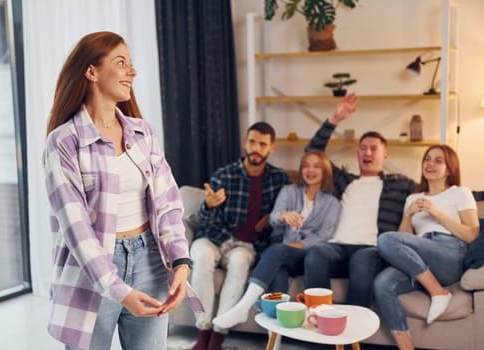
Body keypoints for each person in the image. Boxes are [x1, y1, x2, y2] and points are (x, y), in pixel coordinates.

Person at [43, 31, 192, 350]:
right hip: (92, 272)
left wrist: (181, 261)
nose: (132, 72)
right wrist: (118, 289)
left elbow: (168, 203)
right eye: (121, 63)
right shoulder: (64, 143)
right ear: (91, 72)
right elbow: (77, 230)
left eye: (131, 64)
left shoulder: (142, 133)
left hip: (150, 260)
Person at [303, 93, 416, 307]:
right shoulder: (343, 181)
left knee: (362, 260)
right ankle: (320, 321)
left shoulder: (400, 183)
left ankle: (354, 335)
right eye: (363, 148)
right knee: (316, 253)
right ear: (357, 154)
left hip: (372, 250)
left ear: (385, 156)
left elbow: (431, 191)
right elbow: (312, 153)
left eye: (374, 149)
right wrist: (334, 120)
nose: (368, 152)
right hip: (336, 248)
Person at [211, 150, 340, 330]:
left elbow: (324, 234)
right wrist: (284, 216)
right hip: (286, 256)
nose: (310, 170)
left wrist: (299, 245)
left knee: (276, 250)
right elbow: (274, 217)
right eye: (306, 165)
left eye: (316, 166)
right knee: (277, 273)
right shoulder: (289, 191)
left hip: (310, 256)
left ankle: (243, 307)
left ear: (325, 171)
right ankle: (276, 336)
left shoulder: (332, 203)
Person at [189, 121, 290, 350]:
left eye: (262, 144)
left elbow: (284, 212)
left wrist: (275, 216)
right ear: (246, 142)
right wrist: (207, 205)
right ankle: (203, 330)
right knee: (201, 255)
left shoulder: (279, 179)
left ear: (271, 148)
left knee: (240, 262)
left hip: (246, 246)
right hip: (215, 238)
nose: (256, 148)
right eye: (252, 142)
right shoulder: (224, 175)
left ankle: (218, 335)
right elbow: (204, 220)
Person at [374, 145, 480, 350]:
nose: (430, 164)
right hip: (421, 260)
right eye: (427, 159)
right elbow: (402, 243)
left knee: (386, 239)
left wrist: (438, 214)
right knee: (382, 283)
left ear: (450, 169)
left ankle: (438, 292)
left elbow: (472, 234)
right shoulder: (412, 199)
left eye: (438, 161)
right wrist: (408, 215)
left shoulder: (460, 192)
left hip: (449, 253)